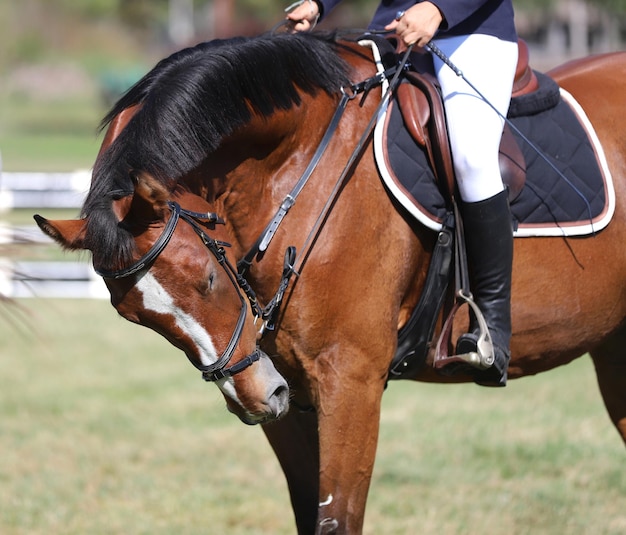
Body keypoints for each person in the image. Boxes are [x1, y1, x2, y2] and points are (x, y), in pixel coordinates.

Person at [286, 0, 518, 387]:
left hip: (469, 33)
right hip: (389, 34)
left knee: (472, 160)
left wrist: (439, 8)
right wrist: (318, 4)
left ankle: (493, 326)